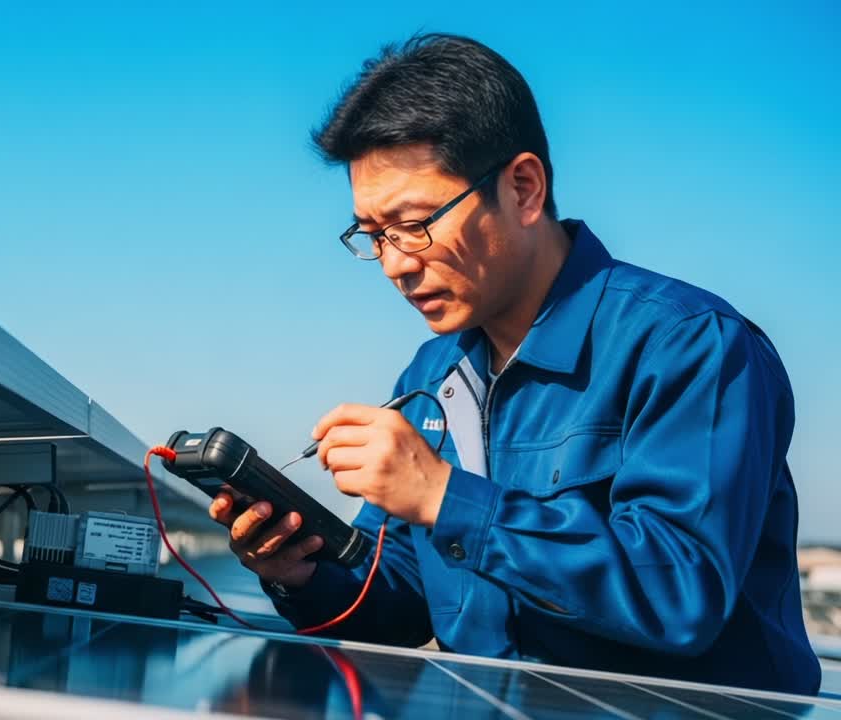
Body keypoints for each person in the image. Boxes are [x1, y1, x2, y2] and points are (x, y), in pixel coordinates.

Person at [208, 32, 819, 695]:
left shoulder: (689, 345)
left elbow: (677, 593)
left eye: (414, 224)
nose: (394, 264)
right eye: (373, 235)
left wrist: (445, 497)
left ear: (523, 187)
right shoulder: (431, 374)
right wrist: (301, 574)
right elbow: (400, 603)